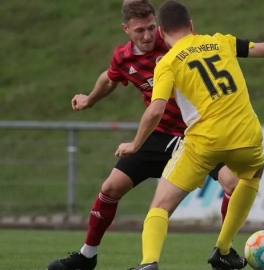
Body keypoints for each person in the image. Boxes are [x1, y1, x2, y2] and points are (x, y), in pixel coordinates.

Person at [115, 1, 264, 270]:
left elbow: (155, 111)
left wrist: (135, 144)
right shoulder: (221, 42)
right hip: (246, 135)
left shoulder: (168, 62)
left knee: (161, 204)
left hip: (204, 141)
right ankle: (222, 249)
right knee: (254, 171)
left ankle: (149, 262)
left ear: (161, 33)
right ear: (192, 26)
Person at [46, 1, 240, 270]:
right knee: (110, 188)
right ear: (126, 29)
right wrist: (89, 100)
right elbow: (110, 77)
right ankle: (87, 256)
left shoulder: (175, 42)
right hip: (159, 135)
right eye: (140, 31)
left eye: (151, 28)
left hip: (197, 134)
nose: (148, 36)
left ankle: (223, 252)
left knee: (233, 182)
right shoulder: (124, 57)